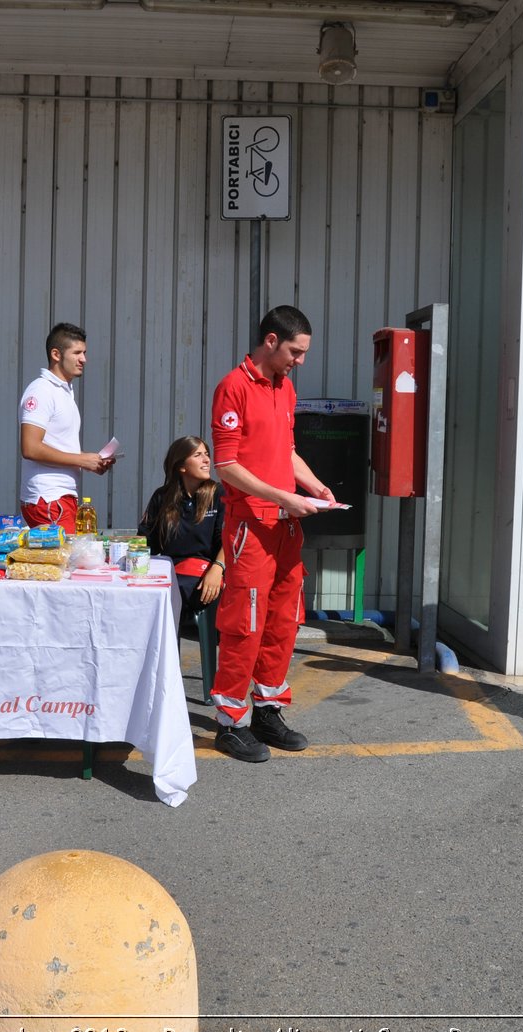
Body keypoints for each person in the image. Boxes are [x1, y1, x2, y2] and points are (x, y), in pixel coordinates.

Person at [208, 305, 335, 763]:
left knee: (283, 619)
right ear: (270, 341)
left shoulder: (285, 389)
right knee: (245, 622)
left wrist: (314, 486)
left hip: (285, 525)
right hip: (252, 525)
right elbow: (226, 466)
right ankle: (229, 722)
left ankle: (267, 710)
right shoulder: (234, 387)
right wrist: (283, 497)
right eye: (295, 352)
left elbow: (288, 451)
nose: (299, 361)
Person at [17, 323, 114, 534]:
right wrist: (82, 460)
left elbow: (56, 446)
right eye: (77, 353)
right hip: (49, 499)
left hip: (58, 498)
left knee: (65, 561)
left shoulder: (62, 391)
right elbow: (30, 448)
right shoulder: (42, 391)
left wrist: (92, 462)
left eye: (85, 353)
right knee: (63, 562)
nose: (84, 359)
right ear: (56, 354)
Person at [138, 436, 226, 612]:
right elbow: (146, 543)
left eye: (207, 454)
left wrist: (218, 569)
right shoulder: (162, 497)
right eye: (198, 455)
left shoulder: (218, 493)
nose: (207, 459)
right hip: (172, 574)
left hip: (209, 573)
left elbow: (228, 540)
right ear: (181, 466)